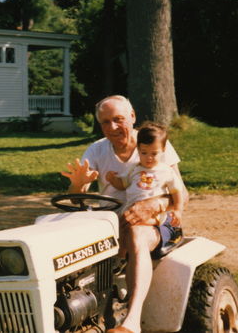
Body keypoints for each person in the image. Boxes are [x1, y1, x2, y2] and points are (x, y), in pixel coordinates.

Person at [61, 95, 188, 333]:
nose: (113, 127)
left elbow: (181, 193)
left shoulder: (153, 143)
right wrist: (78, 184)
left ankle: (131, 322)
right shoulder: (98, 149)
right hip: (112, 222)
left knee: (136, 234)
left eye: (118, 119)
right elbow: (77, 194)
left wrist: (154, 204)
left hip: (155, 223)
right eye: (106, 122)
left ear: (132, 117)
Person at [106, 121, 186, 229]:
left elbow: (177, 192)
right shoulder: (134, 168)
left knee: (135, 226)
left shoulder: (166, 171)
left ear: (163, 151)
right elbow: (123, 185)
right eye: (144, 153)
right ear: (138, 150)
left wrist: (178, 210)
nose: (149, 157)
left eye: (154, 153)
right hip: (132, 210)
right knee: (119, 226)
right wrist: (112, 180)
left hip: (154, 213)